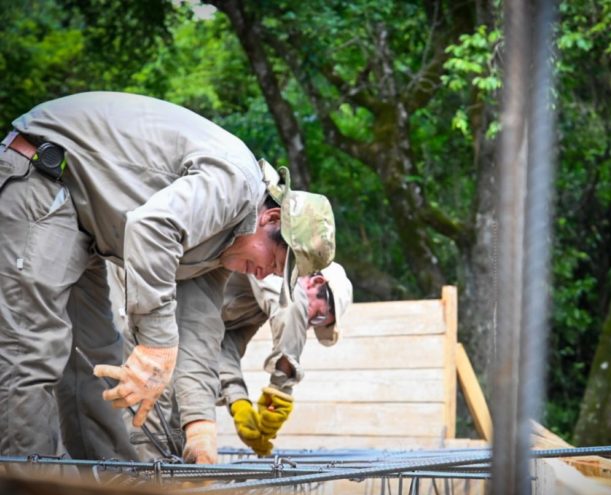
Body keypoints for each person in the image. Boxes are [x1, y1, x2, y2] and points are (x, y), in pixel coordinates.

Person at [0, 91, 335, 460]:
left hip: (86, 223)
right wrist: (157, 344)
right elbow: (151, 227)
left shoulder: (223, 249)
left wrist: (200, 426)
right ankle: (27, 492)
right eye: (276, 260)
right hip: (44, 173)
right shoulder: (235, 186)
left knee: (98, 362)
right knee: (32, 351)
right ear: (270, 219)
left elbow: (199, 334)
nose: (269, 273)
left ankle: (112, 491)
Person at [109, 262, 353, 462]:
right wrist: (281, 391)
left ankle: (165, 486)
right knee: (151, 398)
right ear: (316, 282)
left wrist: (239, 403)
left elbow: (223, 347)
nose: (311, 325)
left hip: (178, 323)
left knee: (180, 410)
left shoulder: (256, 308)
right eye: (319, 316)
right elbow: (291, 307)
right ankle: (142, 489)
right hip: (146, 286)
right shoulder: (277, 267)